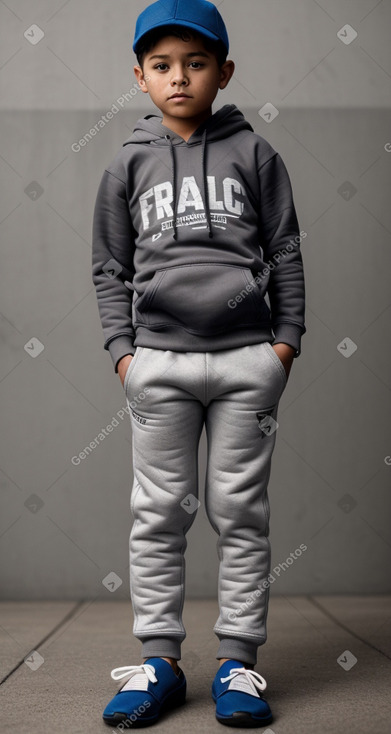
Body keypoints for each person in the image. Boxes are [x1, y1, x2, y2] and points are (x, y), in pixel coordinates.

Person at [92, 0, 305, 727]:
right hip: (159, 367)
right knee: (156, 515)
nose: (178, 77)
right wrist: (125, 355)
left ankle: (239, 667)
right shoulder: (128, 162)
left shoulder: (255, 154)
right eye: (161, 66)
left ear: (222, 72)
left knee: (240, 515)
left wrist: (285, 345)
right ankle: (160, 662)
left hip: (248, 363)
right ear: (140, 77)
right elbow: (107, 268)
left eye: (195, 62)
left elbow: (284, 253)